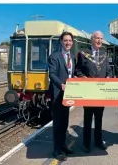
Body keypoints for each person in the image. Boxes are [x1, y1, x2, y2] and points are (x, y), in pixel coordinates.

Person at [75, 31, 112, 153]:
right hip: (89, 92)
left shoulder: (104, 54)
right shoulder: (83, 53)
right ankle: (86, 144)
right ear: (92, 39)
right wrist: (83, 78)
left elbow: (109, 70)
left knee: (99, 119)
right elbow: (78, 70)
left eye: (101, 38)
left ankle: (98, 141)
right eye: (97, 38)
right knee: (87, 119)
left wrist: (108, 77)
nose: (100, 41)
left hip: (101, 93)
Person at [48, 31, 76, 161]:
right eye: (65, 40)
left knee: (65, 123)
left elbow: (72, 74)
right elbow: (52, 74)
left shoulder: (72, 57)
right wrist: (61, 85)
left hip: (68, 95)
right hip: (58, 94)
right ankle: (56, 150)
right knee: (58, 124)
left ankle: (63, 145)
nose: (68, 43)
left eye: (70, 40)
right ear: (61, 41)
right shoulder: (54, 56)